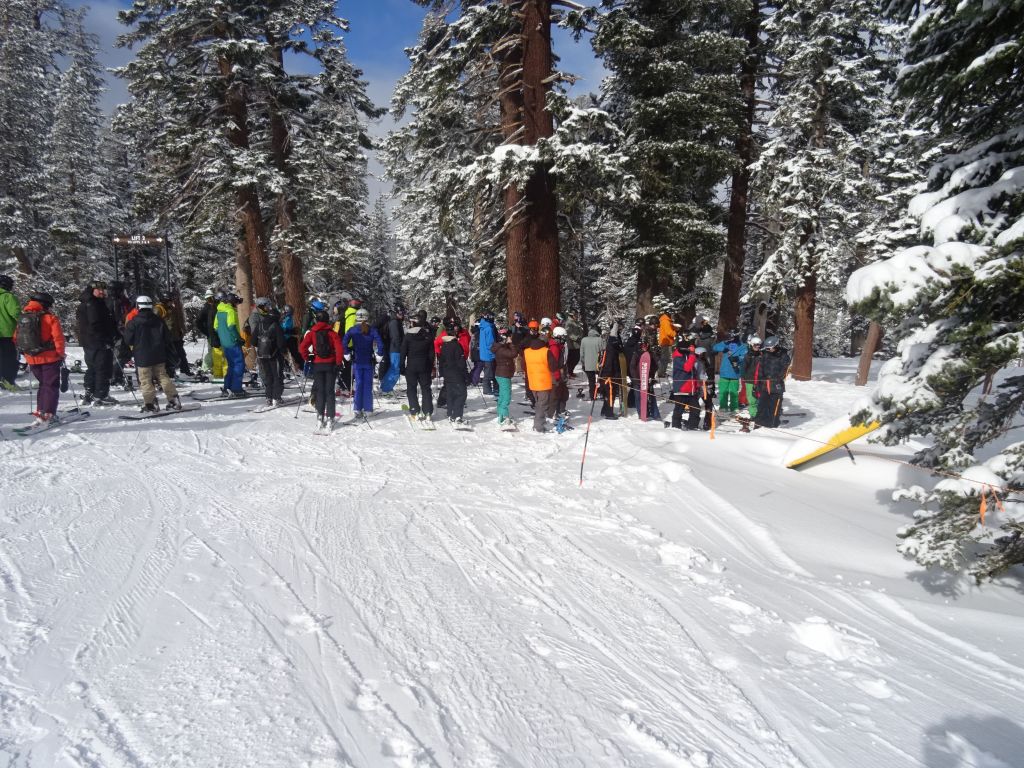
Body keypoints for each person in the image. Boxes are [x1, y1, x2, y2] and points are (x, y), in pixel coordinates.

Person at [123, 295, 182, 412]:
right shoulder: (159, 320)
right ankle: (174, 399)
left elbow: (128, 340)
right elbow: (167, 337)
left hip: (142, 356)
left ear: (138, 306)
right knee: (163, 376)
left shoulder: (133, 322)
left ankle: (151, 404)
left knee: (145, 380)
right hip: (159, 354)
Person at [14, 291, 65, 425]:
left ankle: (41, 411)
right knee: (50, 385)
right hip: (50, 358)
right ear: (46, 304)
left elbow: (16, 338)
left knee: (43, 385)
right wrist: (60, 353)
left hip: (32, 358)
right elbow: (58, 338)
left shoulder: (23, 317)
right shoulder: (50, 318)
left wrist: (27, 353)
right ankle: (48, 414)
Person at [300, 308, 344, 430]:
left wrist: (307, 358)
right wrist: (339, 362)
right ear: (327, 320)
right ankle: (330, 418)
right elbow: (339, 348)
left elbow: (302, 347)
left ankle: (320, 417)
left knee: (320, 391)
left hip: (317, 364)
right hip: (330, 365)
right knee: (329, 392)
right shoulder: (332, 333)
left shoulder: (312, 333)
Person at [76, 279, 119, 406]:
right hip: (97, 341)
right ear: (92, 290)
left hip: (89, 341)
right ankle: (101, 395)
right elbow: (95, 324)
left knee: (93, 367)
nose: (101, 292)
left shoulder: (88, 302)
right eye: (98, 290)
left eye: (103, 289)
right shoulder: (93, 304)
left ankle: (90, 393)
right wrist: (105, 339)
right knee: (102, 368)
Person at [342, 307, 384, 417]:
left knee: (359, 384)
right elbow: (380, 343)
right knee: (368, 385)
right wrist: (379, 354)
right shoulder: (372, 330)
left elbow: (344, 341)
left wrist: (346, 353)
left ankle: (357, 409)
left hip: (357, 361)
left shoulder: (352, 329)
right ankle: (368, 409)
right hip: (368, 361)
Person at [245, 297, 287, 407]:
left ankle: (269, 397)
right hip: (274, 355)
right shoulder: (274, 325)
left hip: (262, 354)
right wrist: (283, 351)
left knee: (268, 376)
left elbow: (253, 341)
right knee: (276, 376)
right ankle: (276, 397)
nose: (268, 308)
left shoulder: (261, 323)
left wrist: (261, 343)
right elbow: (281, 343)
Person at [522, 326, 559, 432]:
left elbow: (524, 366)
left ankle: (539, 422)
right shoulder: (546, 351)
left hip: (532, 381)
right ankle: (538, 426)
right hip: (544, 382)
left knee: (539, 403)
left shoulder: (527, 351)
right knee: (542, 405)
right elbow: (553, 367)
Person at [400, 310, 435, 420]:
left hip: (411, 366)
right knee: (426, 388)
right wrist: (430, 366)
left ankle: (414, 410)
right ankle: (428, 411)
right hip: (424, 365)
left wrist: (401, 367)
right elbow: (431, 354)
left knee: (411, 388)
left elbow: (403, 353)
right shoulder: (428, 335)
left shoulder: (408, 336)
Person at [437, 318, 469, 425]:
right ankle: (457, 416)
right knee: (461, 394)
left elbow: (441, 361)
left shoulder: (444, 345)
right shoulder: (456, 345)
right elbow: (461, 363)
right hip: (456, 374)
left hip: (448, 374)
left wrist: (442, 372)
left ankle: (451, 414)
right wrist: (466, 375)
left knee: (451, 394)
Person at [754, 336, 791, 428]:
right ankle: (758, 423)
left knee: (774, 406)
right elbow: (760, 369)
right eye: (766, 348)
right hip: (764, 385)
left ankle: (772, 424)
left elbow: (784, 370)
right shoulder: (765, 355)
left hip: (776, 386)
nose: (768, 350)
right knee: (761, 405)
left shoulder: (783, 356)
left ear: (776, 345)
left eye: (769, 348)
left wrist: (776, 378)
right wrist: (758, 384)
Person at [214, 291, 246, 397]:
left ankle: (227, 387)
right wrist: (238, 338)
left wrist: (224, 337)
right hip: (233, 342)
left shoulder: (219, 311)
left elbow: (216, 327)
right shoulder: (230, 311)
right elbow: (231, 326)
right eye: (236, 303)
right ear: (232, 303)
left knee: (231, 366)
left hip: (225, 343)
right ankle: (236, 389)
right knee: (239, 365)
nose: (237, 305)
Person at [670, 337, 702, 430]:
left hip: (691, 390)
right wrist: (692, 353)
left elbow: (693, 371)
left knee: (696, 409)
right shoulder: (677, 358)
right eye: (688, 348)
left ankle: (692, 426)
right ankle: (675, 427)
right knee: (679, 410)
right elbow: (687, 367)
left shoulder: (688, 355)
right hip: (681, 389)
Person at [712, 332, 747, 413]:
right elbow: (715, 347)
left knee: (734, 392)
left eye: (731, 337)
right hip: (724, 371)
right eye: (729, 337)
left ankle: (734, 407)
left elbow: (744, 356)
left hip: (735, 372)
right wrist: (723, 345)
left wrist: (738, 359)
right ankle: (723, 407)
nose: (730, 339)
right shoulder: (726, 343)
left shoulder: (742, 345)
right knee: (723, 391)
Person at [492, 326, 517, 426]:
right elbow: (513, 353)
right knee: (506, 396)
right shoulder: (501, 349)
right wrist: (511, 344)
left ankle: (501, 415)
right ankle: (504, 417)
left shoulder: (499, 347)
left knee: (502, 395)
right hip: (504, 375)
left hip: (502, 374)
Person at [0, 275, 21, 390]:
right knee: (10, 359)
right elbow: (16, 313)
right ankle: (8, 381)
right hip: (7, 333)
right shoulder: (8, 297)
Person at [597, 323, 621, 419]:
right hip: (609, 376)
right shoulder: (611, 350)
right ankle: (609, 413)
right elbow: (609, 364)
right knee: (611, 394)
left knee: (607, 394)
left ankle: (604, 410)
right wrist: (610, 375)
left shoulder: (610, 347)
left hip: (608, 375)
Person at [379, 307, 405, 395]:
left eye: (403, 313)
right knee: (395, 369)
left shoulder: (396, 321)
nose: (402, 315)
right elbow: (395, 337)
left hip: (395, 348)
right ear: (395, 313)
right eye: (400, 313)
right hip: (395, 349)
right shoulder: (394, 322)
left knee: (394, 368)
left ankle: (385, 387)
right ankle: (385, 389)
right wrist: (401, 347)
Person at [550, 325, 570, 415]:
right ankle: (555, 411)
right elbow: (554, 363)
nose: (564, 339)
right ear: (558, 336)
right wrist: (558, 375)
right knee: (558, 393)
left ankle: (561, 409)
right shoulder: (554, 347)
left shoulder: (559, 346)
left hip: (562, 371)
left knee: (563, 392)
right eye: (563, 337)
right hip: (557, 373)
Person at [741, 335, 762, 420]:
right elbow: (743, 367)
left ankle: (760, 414)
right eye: (755, 345)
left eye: (758, 345)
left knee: (760, 397)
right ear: (751, 345)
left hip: (760, 379)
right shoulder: (748, 355)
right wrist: (744, 377)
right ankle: (753, 414)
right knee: (751, 398)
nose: (757, 347)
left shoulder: (762, 355)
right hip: (750, 380)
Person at [477, 311, 498, 395]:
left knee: (488, 371)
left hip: (484, 352)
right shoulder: (488, 328)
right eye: (492, 317)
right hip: (489, 353)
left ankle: (490, 388)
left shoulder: (483, 326)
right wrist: (495, 350)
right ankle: (487, 389)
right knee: (489, 372)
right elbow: (490, 342)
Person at [579, 326, 602, 400]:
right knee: (600, 378)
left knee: (591, 381)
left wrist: (583, 363)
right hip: (598, 364)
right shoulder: (599, 339)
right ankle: (601, 393)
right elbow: (603, 350)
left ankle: (592, 395)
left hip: (587, 364)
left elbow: (581, 354)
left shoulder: (584, 340)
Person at [280, 304, 303, 373]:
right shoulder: (282, 318)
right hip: (284, 338)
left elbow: (285, 328)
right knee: (284, 354)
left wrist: (291, 331)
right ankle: (286, 367)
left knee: (294, 353)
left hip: (287, 338)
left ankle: (301, 366)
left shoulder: (288, 318)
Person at [657, 302, 676, 377]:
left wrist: (674, 328)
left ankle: (662, 372)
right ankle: (661, 373)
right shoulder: (666, 321)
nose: (672, 315)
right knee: (665, 358)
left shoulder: (665, 320)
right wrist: (675, 332)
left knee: (665, 358)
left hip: (665, 341)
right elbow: (668, 332)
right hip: (666, 341)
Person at [562, 312, 583, 377]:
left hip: (577, 344)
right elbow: (568, 333)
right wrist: (576, 338)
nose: (577, 316)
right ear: (572, 315)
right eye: (575, 315)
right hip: (572, 344)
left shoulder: (575, 322)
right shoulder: (569, 323)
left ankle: (570, 371)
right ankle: (569, 372)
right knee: (572, 359)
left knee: (576, 358)